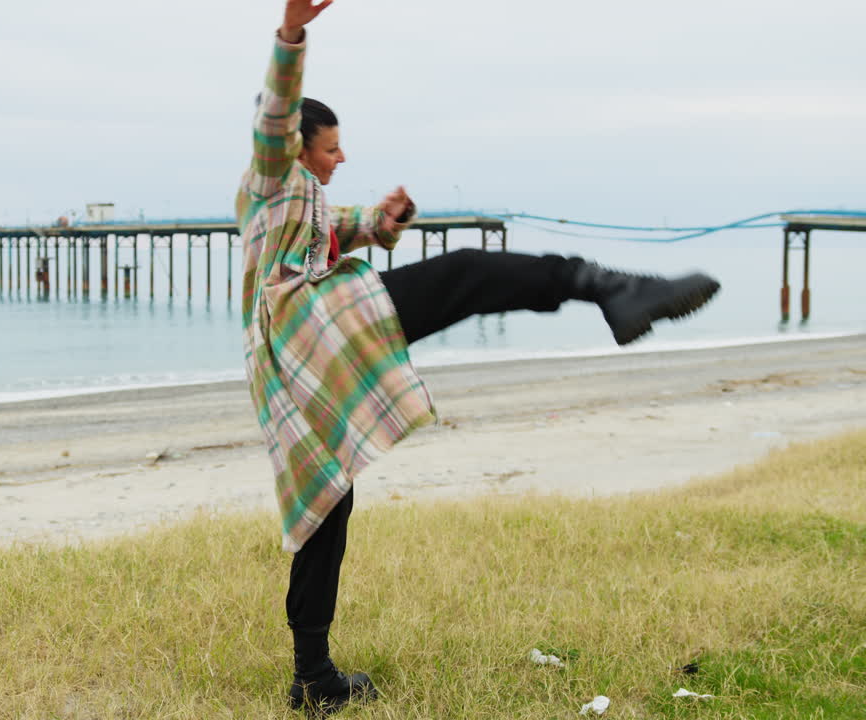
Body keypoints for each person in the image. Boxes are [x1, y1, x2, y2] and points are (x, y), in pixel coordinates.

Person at [236, 0, 721, 714]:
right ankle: (604, 286)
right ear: (299, 147)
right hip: (315, 337)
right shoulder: (269, 181)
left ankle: (313, 678)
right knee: (465, 272)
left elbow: (354, 226)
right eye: (332, 146)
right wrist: (291, 34)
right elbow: (275, 114)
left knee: (327, 505)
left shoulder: (306, 199)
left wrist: (387, 219)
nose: (342, 157)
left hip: (306, 363)